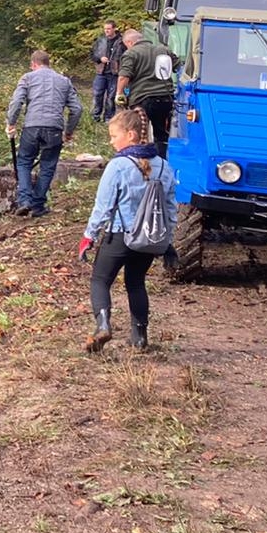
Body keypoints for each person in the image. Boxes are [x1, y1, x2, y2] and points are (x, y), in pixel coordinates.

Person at [77, 108, 177, 353]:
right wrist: (168, 241)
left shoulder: (119, 165)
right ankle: (140, 337)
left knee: (100, 280)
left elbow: (104, 206)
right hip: (149, 239)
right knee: (136, 283)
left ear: (130, 135)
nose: (111, 141)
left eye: (114, 135)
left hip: (119, 236)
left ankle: (102, 325)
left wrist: (89, 236)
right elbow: (170, 209)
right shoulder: (164, 167)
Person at [5, 49, 83, 217]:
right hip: (54, 128)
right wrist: (68, 132)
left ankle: (24, 200)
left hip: (32, 127)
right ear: (48, 63)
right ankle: (38, 206)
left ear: (33, 64)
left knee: (24, 161)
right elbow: (77, 109)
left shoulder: (27, 78)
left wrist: (11, 122)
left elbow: (17, 102)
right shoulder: (64, 81)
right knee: (47, 166)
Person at [115, 29, 177, 158]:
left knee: (139, 132)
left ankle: (141, 161)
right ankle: (161, 161)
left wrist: (119, 94)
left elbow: (123, 77)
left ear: (129, 42)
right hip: (165, 98)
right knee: (162, 134)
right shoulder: (163, 50)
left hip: (142, 99)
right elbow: (178, 66)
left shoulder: (131, 53)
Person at [90, 20, 125, 122]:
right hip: (101, 72)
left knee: (111, 97)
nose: (106, 31)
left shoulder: (121, 42)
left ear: (114, 29)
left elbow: (125, 56)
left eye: (109, 29)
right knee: (97, 94)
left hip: (115, 73)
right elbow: (92, 54)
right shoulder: (100, 41)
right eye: (105, 29)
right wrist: (100, 59)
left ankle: (108, 118)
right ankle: (95, 117)